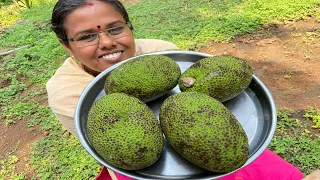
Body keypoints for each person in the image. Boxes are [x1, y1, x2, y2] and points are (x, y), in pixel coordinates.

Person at [46, 0, 305, 179]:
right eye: (86, 36)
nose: (106, 42)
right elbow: (121, 144)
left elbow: (208, 97)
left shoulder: (161, 51)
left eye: (116, 29)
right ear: (66, 45)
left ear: (129, 27)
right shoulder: (67, 92)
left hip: (214, 141)